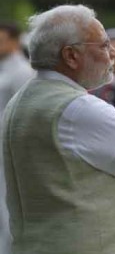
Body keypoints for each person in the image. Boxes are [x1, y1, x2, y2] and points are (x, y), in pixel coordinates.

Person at [2, 5, 115, 254]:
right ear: (71, 56)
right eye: (103, 45)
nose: (112, 53)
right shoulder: (79, 108)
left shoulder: (21, 101)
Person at [0, 22, 35, 254]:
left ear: (14, 41)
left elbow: (24, 114)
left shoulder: (22, 71)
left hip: (9, 148)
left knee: (8, 206)